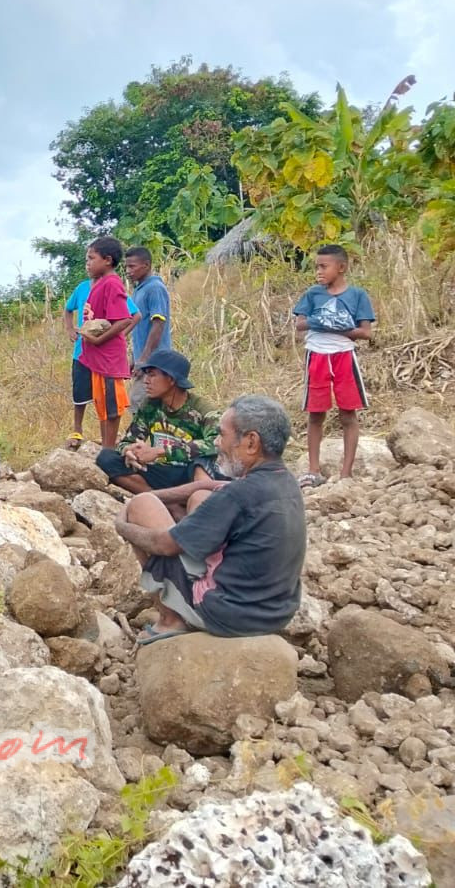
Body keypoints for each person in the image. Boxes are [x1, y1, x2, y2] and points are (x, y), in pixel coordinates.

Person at [113, 394, 306, 644]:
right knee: (200, 496)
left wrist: (122, 524)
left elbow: (164, 544)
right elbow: (211, 489)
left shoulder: (239, 495)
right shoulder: (286, 482)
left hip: (228, 614)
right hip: (275, 614)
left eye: (222, 435)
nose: (216, 443)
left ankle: (171, 618)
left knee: (142, 506)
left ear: (251, 442)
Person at [292, 244, 375, 487]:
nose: (318, 272)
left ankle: (346, 473)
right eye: (316, 267)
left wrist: (342, 328)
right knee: (316, 413)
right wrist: (324, 321)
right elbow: (299, 324)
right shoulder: (312, 294)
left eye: (323, 267)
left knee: (348, 412)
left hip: (343, 356)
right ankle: (313, 470)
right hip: (317, 355)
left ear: (341, 268)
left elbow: (366, 332)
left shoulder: (357, 295)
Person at [96, 350, 222, 509]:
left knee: (201, 463)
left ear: (171, 379)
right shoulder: (150, 405)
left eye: (152, 375)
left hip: (188, 474)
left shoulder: (203, 410)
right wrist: (130, 450)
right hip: (161, 472)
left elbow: (216, 444)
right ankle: (167, 503)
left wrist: (161, 451)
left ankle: (203, 510)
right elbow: (128, 440)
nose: (146, 381)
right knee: (106, 457)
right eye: (146, 375)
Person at [76, 236, 138, 449]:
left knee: (112, 407)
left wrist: (98, 339)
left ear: (108, 260)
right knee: (102, 405)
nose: (88, 263)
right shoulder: (99, 284)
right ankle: (106, 448)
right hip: (98, 361)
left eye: (91, 258)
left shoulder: (112, 283)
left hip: (109, 359)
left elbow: (124, 320)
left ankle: (109, 451)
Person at [63, 278, 137, 448]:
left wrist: (116, 337)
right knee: (80, 393)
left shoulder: (111, 287)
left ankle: (107, 444)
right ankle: (77, 430)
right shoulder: (82, 288)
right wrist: (69, 328)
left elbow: (133, 315)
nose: (88, 263)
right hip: (82, 351)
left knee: (105, 398)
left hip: (103, 356)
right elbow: (67, 309)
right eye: (87, 259)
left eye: (92, 258)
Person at [124, 246, 172, 375]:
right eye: (126, 267)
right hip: (145, 362)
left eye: (132, 266)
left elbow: (159, 323)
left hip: (156, 362)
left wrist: (144, 358)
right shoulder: (139, 290)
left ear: (146, 265)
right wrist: (134, 359)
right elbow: (140, 331)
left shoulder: (155, 288)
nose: (128, 271)